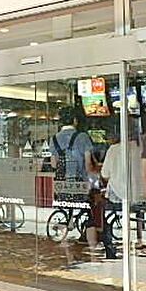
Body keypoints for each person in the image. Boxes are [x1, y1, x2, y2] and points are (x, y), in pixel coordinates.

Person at [50, 106, 102, 254]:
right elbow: (88, 165)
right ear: (75, 120)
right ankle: (92, 244)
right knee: (90, 210)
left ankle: (66, 230)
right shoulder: (82, 137)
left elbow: (53, 164)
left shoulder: (54, 139)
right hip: (80, 186)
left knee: (69, 206)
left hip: (62, 187)